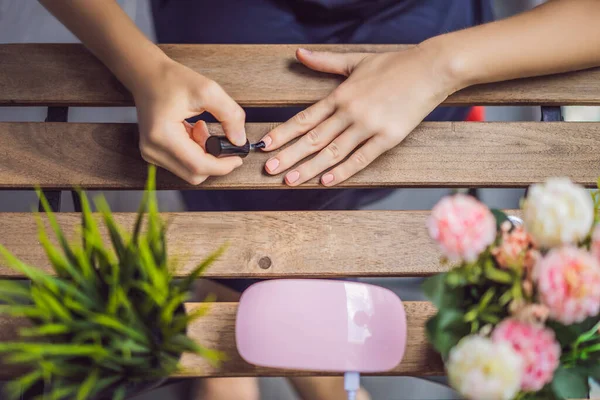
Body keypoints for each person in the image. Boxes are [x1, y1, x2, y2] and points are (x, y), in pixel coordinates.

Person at [39, 0, 600, 399]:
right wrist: (145, 68)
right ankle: (271, 354)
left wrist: (437, 66)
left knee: (305, 187)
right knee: (235, 181)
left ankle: (231, 346)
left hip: (425, 37)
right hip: (218, 25)